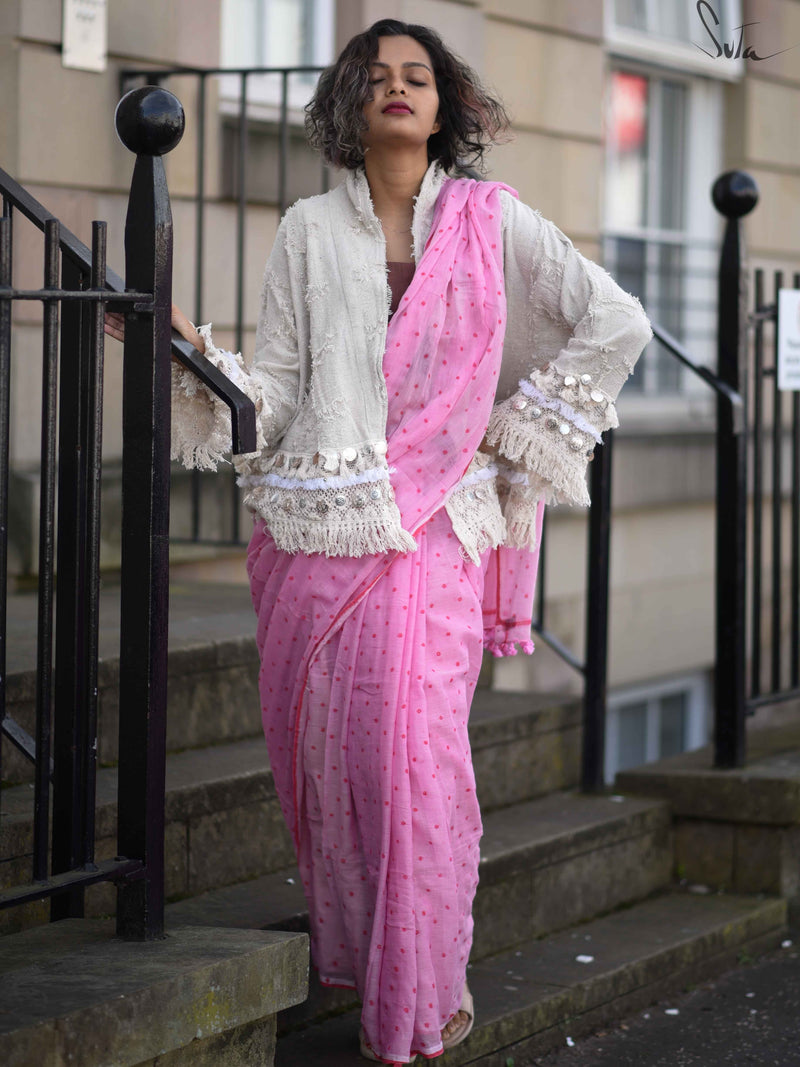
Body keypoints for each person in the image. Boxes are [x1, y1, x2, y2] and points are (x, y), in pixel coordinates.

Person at [108, 18, 651, 1065]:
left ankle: (420, 998)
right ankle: (369, 960)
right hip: (326, 531)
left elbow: (613, 320)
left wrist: (506, 444)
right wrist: (188, 350)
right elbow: (278, 391)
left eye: (418, 76)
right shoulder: (308, 231)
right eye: (379, 76)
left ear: (442, 106)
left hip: (438, 533)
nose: (398, 88)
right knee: (338, 763)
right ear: (352, 102)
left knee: (415, 760)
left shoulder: (494, 223)